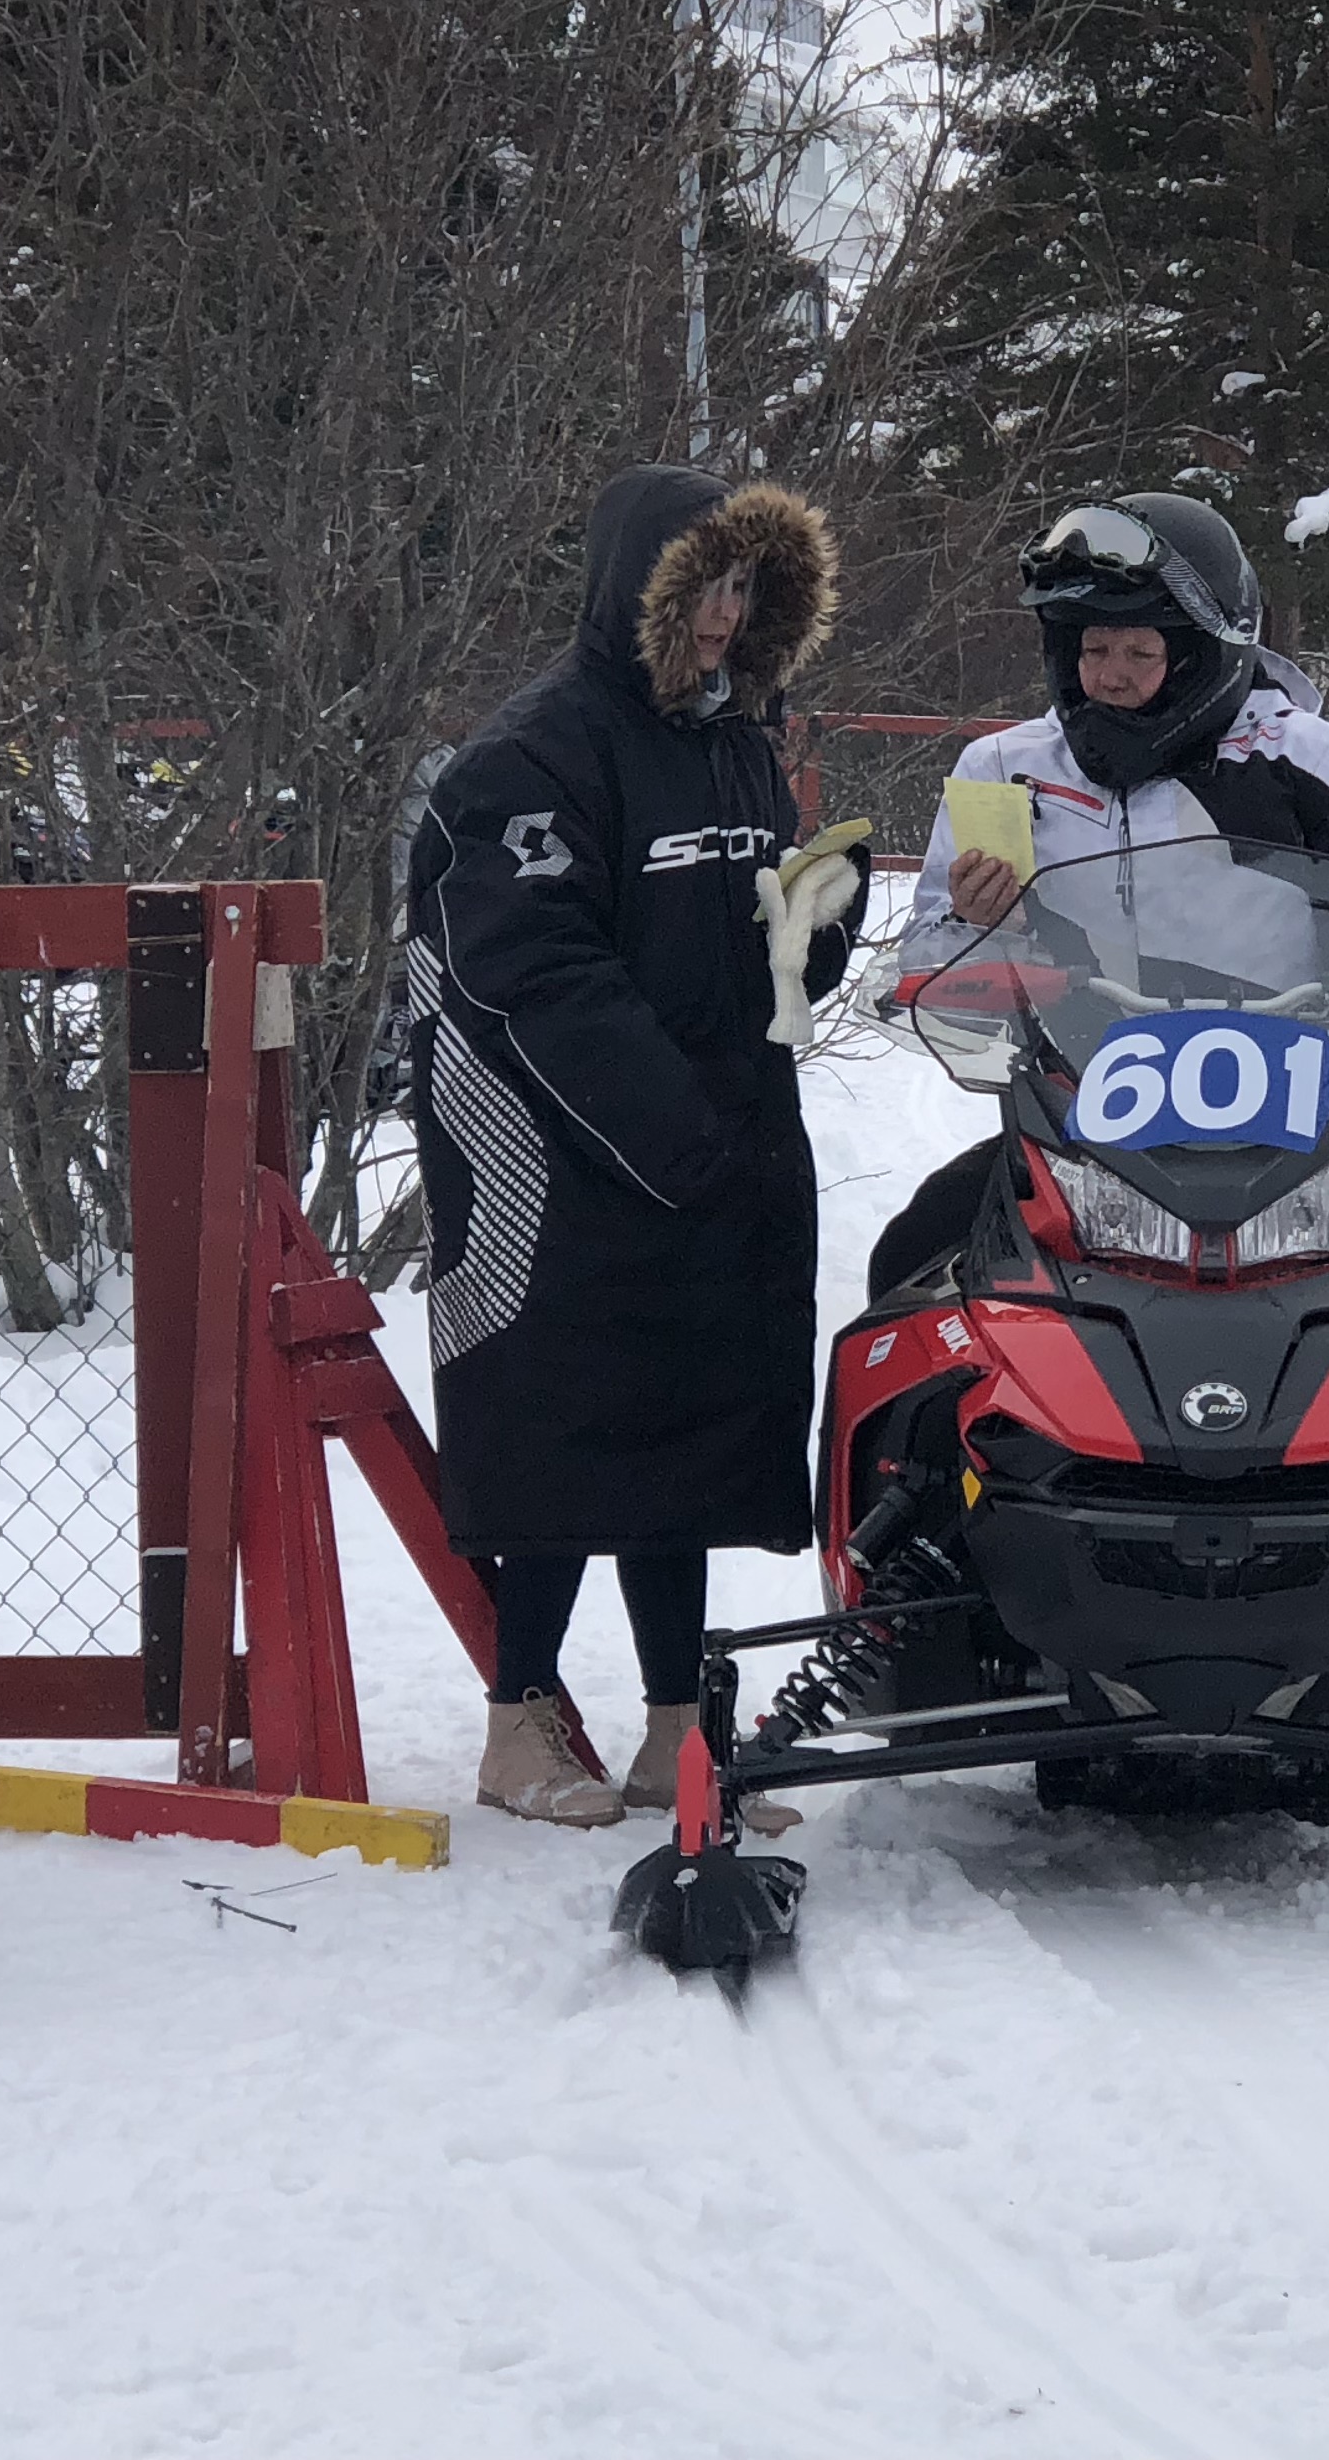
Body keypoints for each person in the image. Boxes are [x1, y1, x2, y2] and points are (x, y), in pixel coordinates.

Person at [400, 466, 851, 1830]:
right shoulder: (533, 754)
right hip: (561, 1157)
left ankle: (675, 1733)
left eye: (743, 590)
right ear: (636, 589)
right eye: (704, 586)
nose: (724, 618)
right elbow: (535, 971)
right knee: (556, 1432)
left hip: (713, 1146)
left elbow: (751, 957)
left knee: (693, 1433)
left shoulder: (732, 743)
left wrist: (813, 919)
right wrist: (671, 1135)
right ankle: (516, 1727)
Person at [869, 494, 1329, 1297]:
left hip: (1300, 1121)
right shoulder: (1007, 770)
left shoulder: (1309, 761)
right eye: (1093, 647)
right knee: (912, 1262)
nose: (1111, 674)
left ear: (1199, 652)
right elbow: (929, 957)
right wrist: (978, 924)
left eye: (1138, 649)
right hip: (1077, 1118)